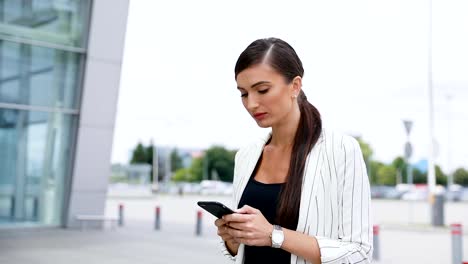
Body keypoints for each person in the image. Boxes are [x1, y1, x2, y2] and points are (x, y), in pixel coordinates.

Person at [214, 38, 373, 264]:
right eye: (244, 93)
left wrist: (273, 235)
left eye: (262, 90)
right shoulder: (246, 156)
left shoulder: (341, 150)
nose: (251, 104)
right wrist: (232, 240)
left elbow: (359, 251)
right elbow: (240, 254)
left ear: (295, 86)